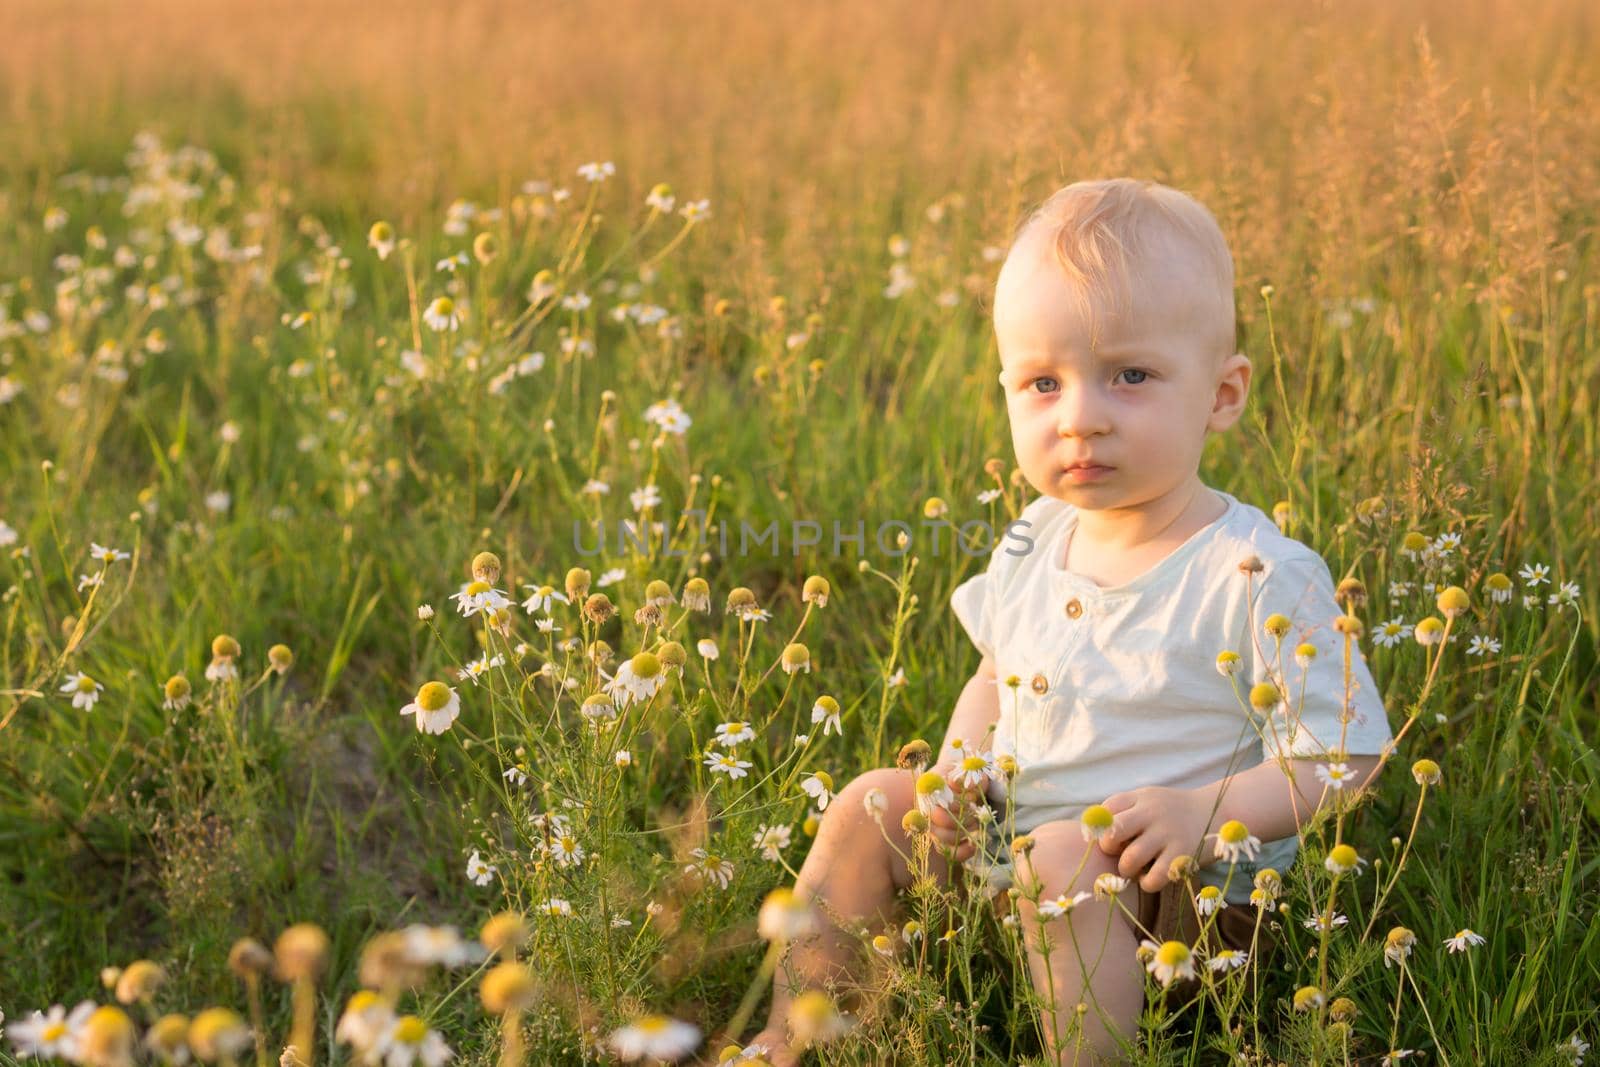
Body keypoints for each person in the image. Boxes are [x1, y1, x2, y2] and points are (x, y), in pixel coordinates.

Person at [743, 178, 1394, 1065]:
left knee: (1061, 856)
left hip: (1178, 903)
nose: (1081, 417)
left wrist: (1205, 813)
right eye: (1043, 383)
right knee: (870, 804)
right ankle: (788, 1035)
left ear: (1223, 393)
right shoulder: (1034, 537)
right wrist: (958, 767)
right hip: (1011, 862)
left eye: (1130, 375)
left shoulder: (1251, 572)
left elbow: (1346, 751)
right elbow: (991, 672)